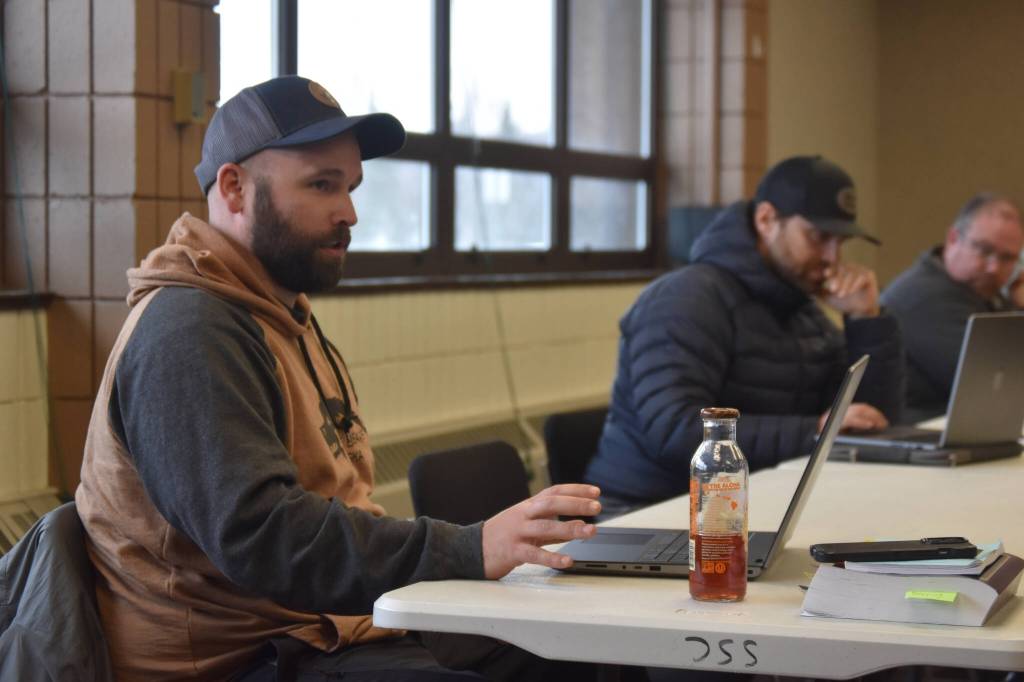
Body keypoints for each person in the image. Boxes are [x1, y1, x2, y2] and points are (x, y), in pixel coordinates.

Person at [74, 76, 603, 682]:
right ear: (234, 187)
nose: (348, 212)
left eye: (350, 187)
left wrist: (468, 554)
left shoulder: (277, 312)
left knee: (571, 644)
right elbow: (264, 536)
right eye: (321, 185)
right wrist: (466, 548)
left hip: (326, 627)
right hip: (247, 655)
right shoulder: (190, 331)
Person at [584, 155, 904, 516]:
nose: (832, 257)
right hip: (648, 510)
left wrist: (866, 320)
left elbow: (871, 421)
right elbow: (674, 431)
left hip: (748, 504)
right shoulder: (687, 299)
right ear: (767, 220)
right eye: (818, 237)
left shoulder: (799, 307)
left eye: (840, 241)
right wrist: (813, 432)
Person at [881, 194, 1023, 420]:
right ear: (953, 238)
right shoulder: (923, 296)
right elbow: (996, 386)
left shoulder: (982, 291)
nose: (993, 268)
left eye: (1007, 258)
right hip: (913, 436)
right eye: (984, 250)